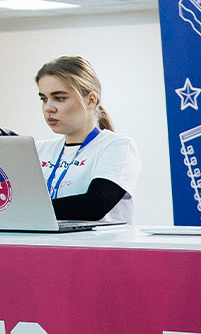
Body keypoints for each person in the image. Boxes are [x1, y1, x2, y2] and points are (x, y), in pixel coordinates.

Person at [36, 56, 140, 222]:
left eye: (60, 98)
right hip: (44, 239)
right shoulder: (39, 149)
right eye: (44, 99)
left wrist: (28, 211)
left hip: (98, 240)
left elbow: (95, 205)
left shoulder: (117, 146)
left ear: (91, 100)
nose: (48, 108)